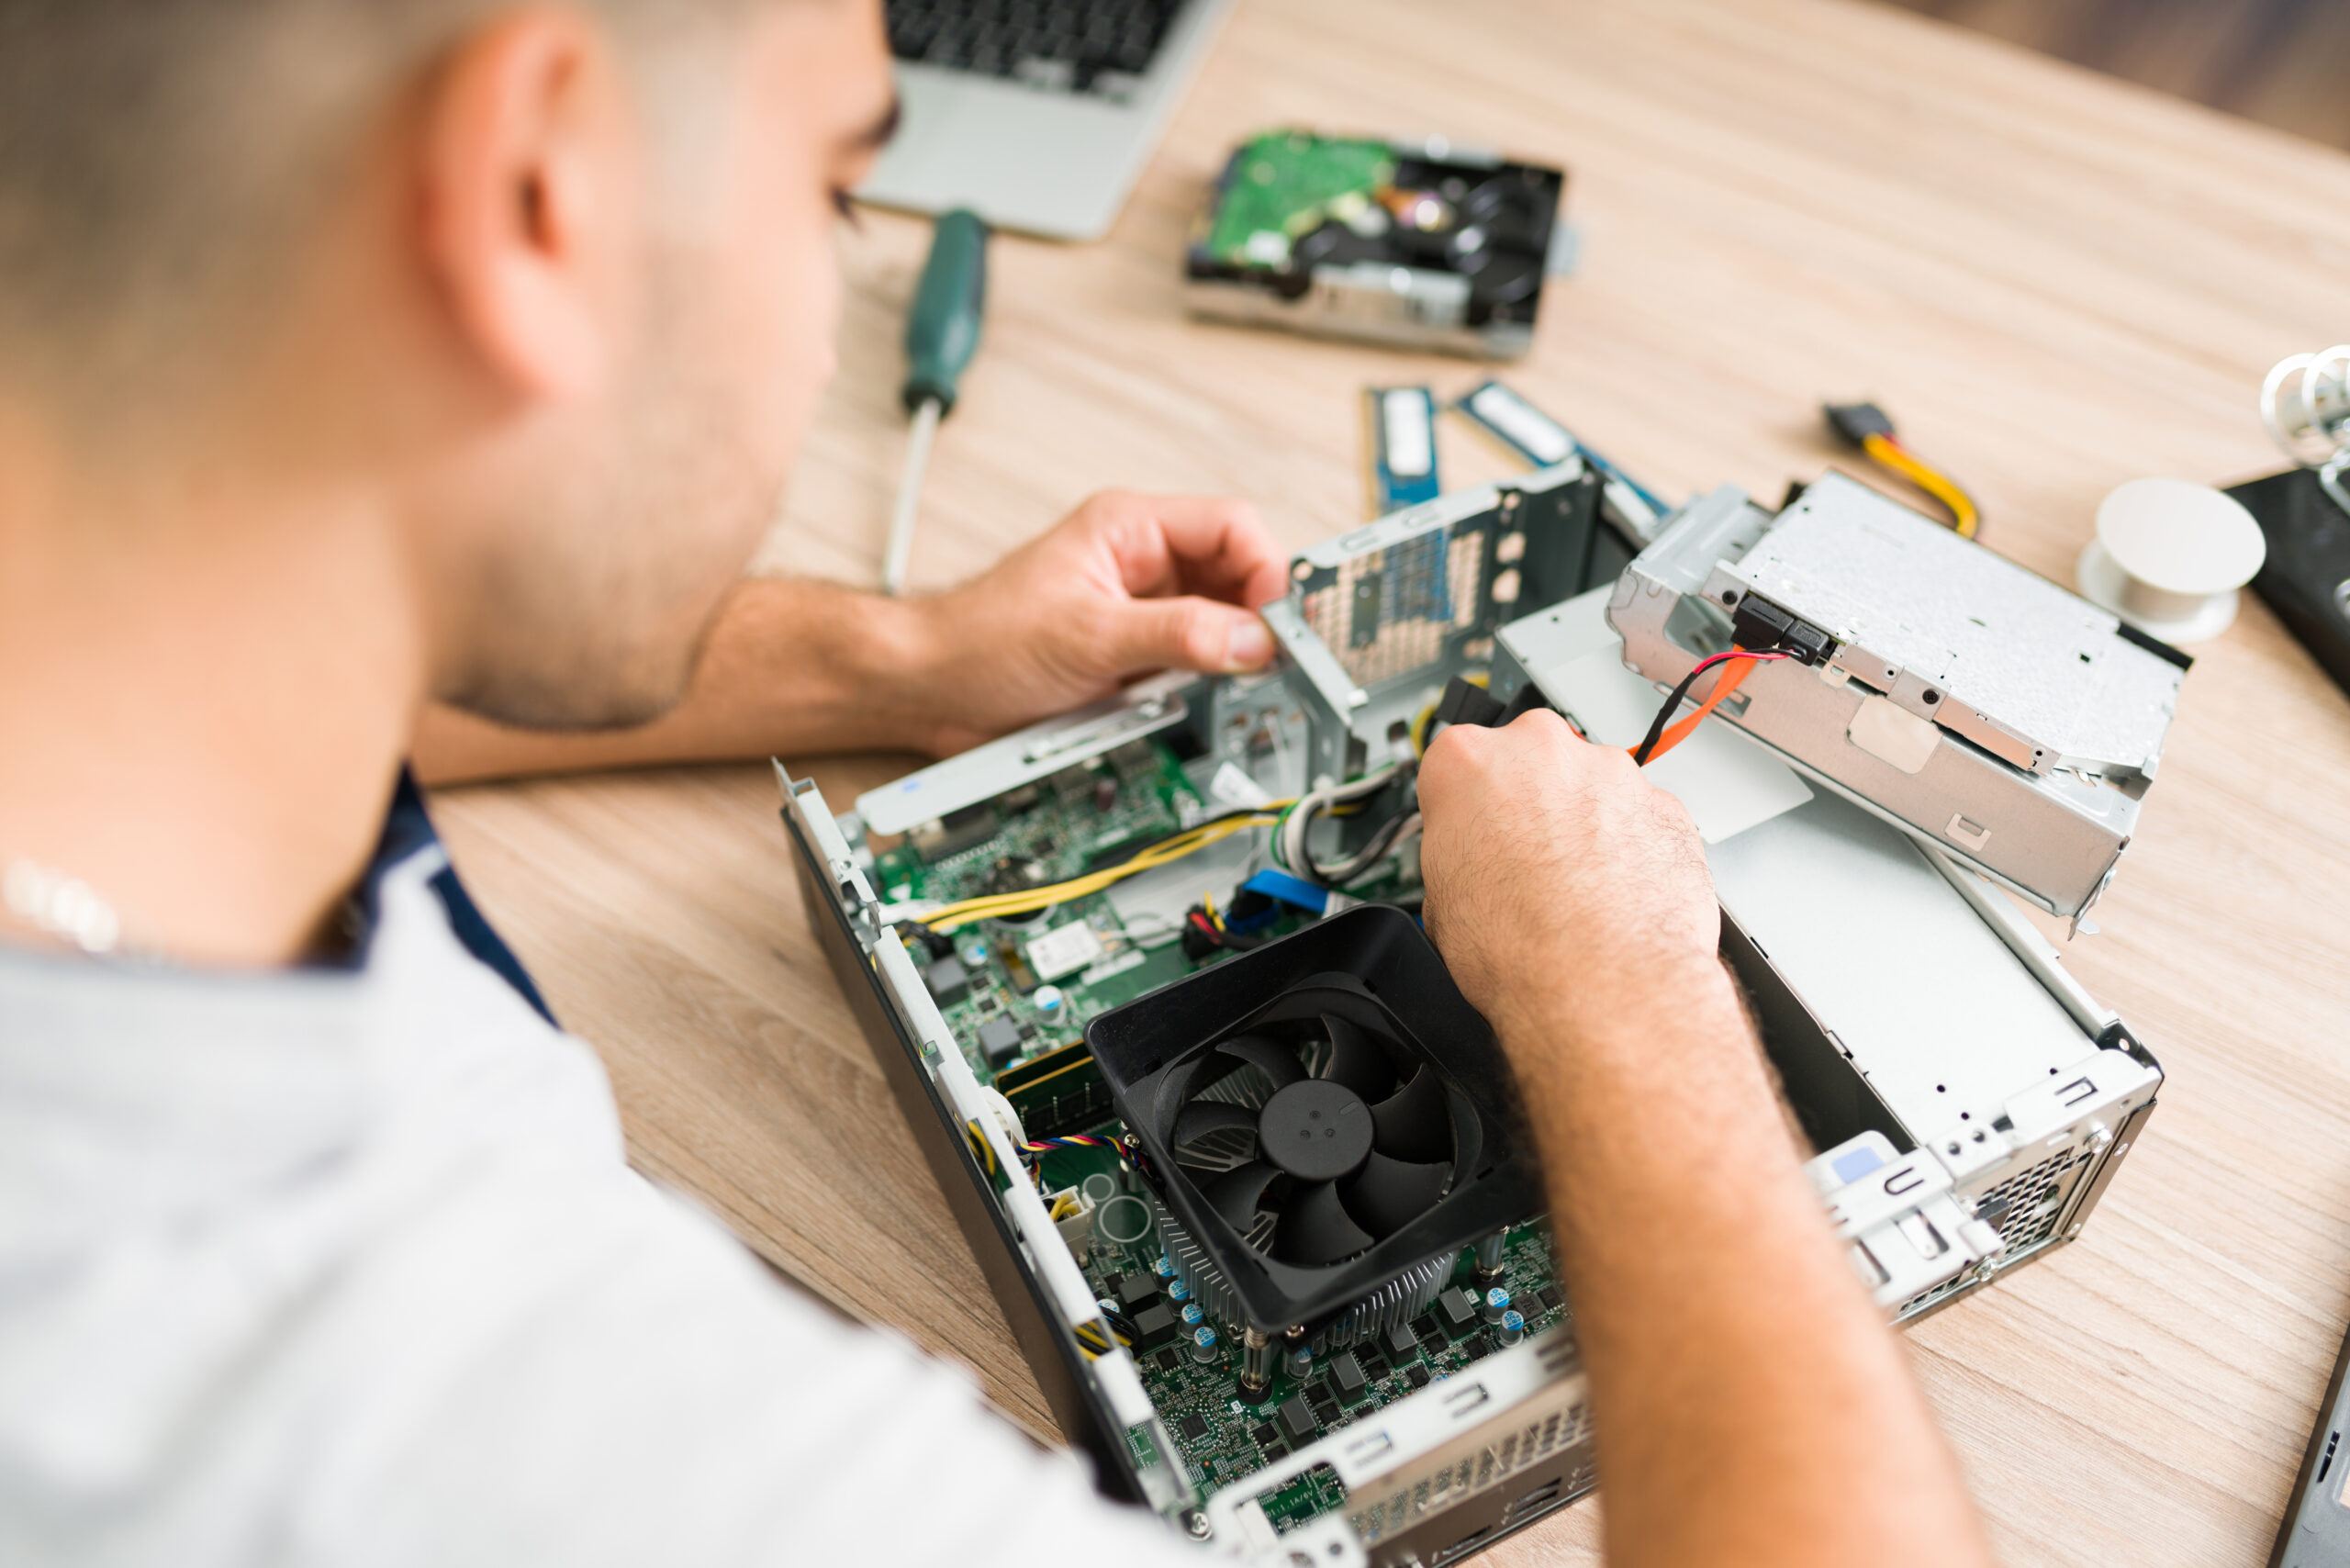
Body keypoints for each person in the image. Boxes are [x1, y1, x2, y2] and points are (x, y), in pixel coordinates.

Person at [0, 2, 1999, 1565]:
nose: (839, 298)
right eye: (832, 194)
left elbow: (310, 604)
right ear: (535, 193)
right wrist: (1625, 988)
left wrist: (886, 655)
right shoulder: (528, 1445)